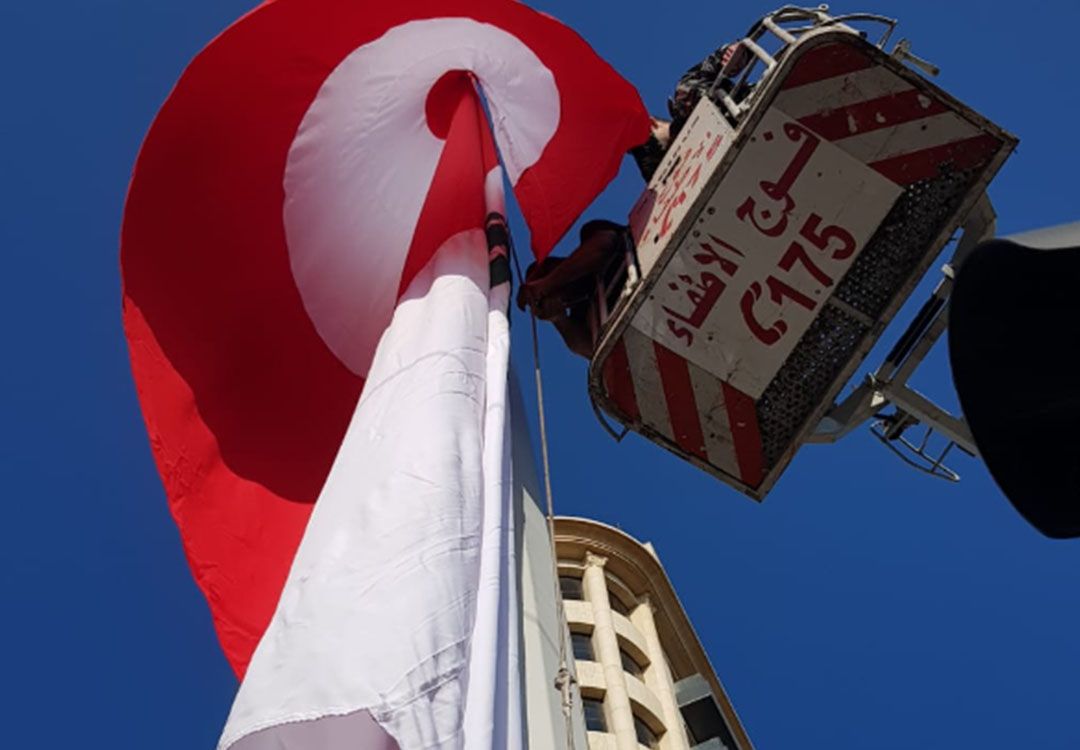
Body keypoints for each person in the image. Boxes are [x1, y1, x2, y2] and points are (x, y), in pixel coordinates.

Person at [630, 36, 755, 181]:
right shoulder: (658, 174)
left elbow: (717, 62)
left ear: (652, 124)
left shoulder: (684, 101)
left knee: (684, 99)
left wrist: (732, 53)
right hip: (741, 169)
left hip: (752, 110)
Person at [516, 219, 630, 358]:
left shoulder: (590, 232)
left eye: (547, 272)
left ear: (555, 263)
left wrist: (546, 284)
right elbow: (592, 350)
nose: (549, 293)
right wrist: (558, 319)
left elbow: (603, 246)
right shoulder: (583, 315)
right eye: (540, 299)